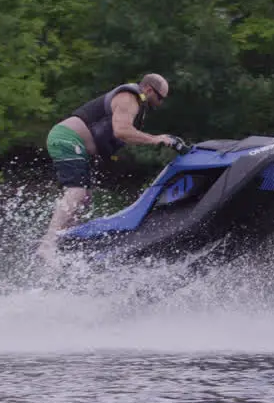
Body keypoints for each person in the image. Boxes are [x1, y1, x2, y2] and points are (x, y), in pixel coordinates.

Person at [36, 73, 186, 262]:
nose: (161, 103)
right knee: (77, 192)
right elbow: (122, 131)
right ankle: (48, 244)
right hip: (66, 138)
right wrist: (156, 139)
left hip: (77, 146)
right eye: (160, 97)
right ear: (148, 90)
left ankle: (65, 243)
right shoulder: (128, 98)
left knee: (84, 199)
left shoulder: (138, 105)